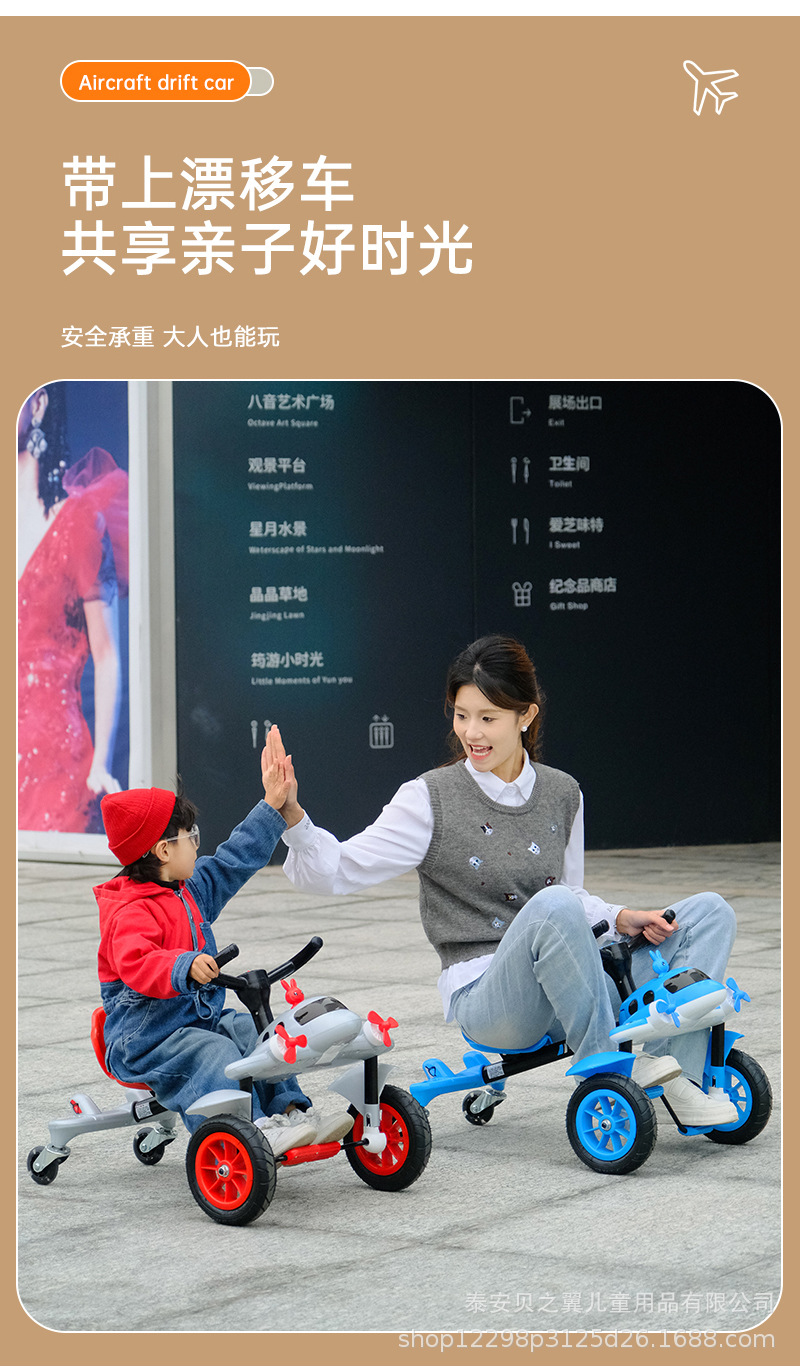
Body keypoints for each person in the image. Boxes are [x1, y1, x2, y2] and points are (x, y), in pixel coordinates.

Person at [277, 635, 739, 1129]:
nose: (471, 732)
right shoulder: (429, 798)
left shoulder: (564, 792)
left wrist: (620, 917)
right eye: (461, 715)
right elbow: (341, 868)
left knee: (709, 912)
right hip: (491, 999)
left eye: (488, 717)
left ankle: (678, 1075)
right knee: (554, 905)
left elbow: (573, 897)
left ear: (525, 716)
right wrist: (292, 814)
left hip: (576, 979)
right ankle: (610, 1073)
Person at [95, 733, 353, 1153]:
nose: (197, 843)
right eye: (190, 836)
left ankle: (290, 1113)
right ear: (163, 850)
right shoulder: (129, 912)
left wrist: (272, 805)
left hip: (194, 1022)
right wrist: (183, 965)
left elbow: (234, 859)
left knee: (259, 1032)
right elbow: (138, 962)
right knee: (214, 1050)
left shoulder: (189, 889)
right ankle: (246, 1131)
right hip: (145, 1041)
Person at [18, 384, 127, 834]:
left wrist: (101, 762)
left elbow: (107, 655)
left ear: (38, 404)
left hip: (55, 762)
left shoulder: (77, 523)